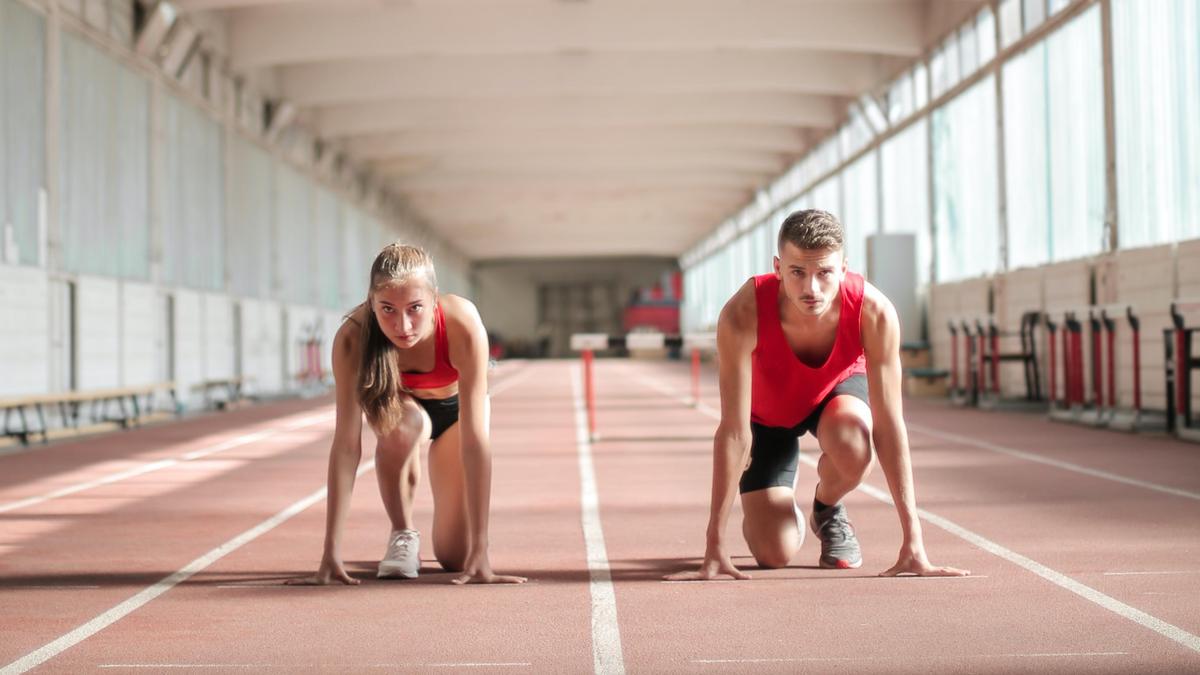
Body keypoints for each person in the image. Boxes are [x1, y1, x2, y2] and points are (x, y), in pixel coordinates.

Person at [667, 209, 968, 580]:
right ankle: (779, 509)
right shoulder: (742, 314)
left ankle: (827, 508)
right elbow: (733, 431)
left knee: (855, 443)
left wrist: (914, 541)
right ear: (777, 268)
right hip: (767, 418)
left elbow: (890, 427)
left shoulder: (874, 313)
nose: (811, 289)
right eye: (798, 273)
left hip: (835, 396)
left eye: (824, 273)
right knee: (773, 553)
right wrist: (714, 542)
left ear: (843, 268)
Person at [291, 243, 526, 585]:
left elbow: (476, 442)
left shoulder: (462, 323)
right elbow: (345, 446)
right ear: (371, 302)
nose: (402, 325)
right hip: (401, 412)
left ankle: (464, 545)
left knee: (455, 558)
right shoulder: (352, 338)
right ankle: (403, 533)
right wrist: (330, 552)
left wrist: (482, 548)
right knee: (406, 424)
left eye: (415, 308)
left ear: (434, 301)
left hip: (456, 416)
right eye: (387, 309)